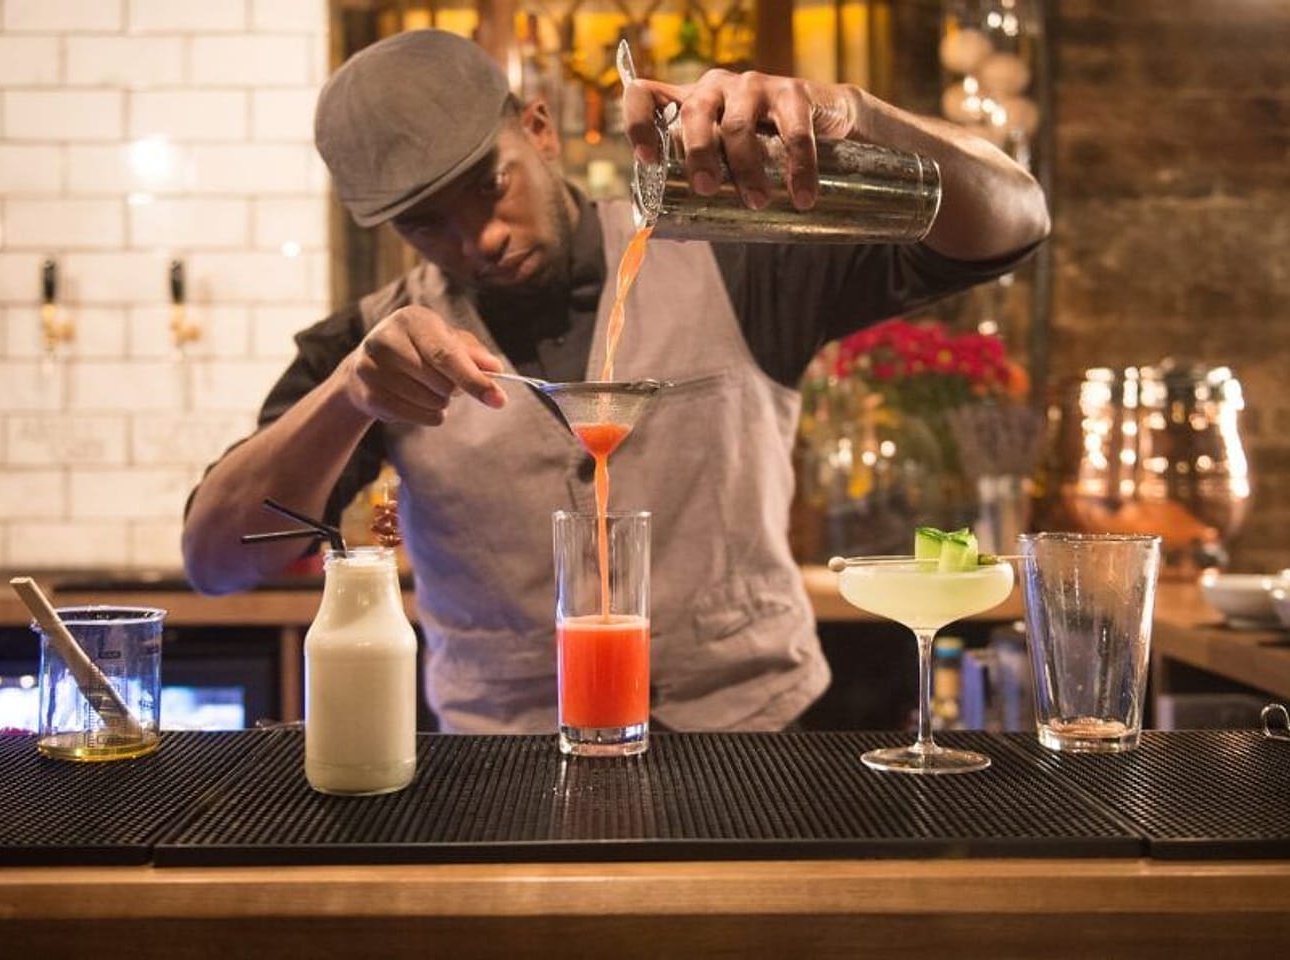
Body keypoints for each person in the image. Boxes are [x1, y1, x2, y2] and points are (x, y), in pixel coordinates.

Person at [182, 29, 1049, 734]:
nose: (476, 239)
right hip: (503, 771)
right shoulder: (376, 346)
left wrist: (850, 115)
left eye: (491, 187)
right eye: (426, 225)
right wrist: (345, 398)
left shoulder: (739, 260)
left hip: (757, 743)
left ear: (539, 127)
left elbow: (1012, 222)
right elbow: (218, 562)